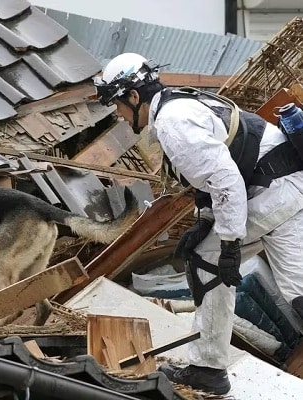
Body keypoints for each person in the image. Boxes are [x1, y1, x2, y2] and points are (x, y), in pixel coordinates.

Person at [96, 52, 303, 395]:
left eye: (118, 105)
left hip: (274, 191)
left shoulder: (173, 123)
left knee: (207, 260)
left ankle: (207, 369)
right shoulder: (182, 103)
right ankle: (208, 368)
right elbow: (220, 176)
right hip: (288, 186)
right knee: (299, 292)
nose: (118, 114)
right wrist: (205, 221)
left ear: (133, 96)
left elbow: (226, 182)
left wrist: (230, 243)